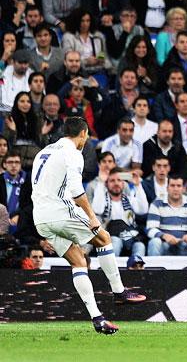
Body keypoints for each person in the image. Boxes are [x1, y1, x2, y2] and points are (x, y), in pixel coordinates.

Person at [30, 117, 146, 334]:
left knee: (78, 260)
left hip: (41, 218)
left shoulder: (43, 152)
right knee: (104, 238)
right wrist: (92, 217)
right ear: (82, 134)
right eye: (87, 137)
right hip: (60, 212)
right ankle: (119, 292)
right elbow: (77, 191)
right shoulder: (73, 153)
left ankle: (98, 318)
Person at [91, 167, 148, 257]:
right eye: (112, 181)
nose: (116, 183)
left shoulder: (129, 199)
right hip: (110, 236)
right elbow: (97, 209)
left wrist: (138, 185)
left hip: (130, 236)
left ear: (123, 183)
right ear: (107, 184)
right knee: (116, 241)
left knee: (140, 246)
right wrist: (101, 182)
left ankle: (137, 269)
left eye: (119, 180)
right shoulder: (103, 200)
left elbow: (143, 210)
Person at [146, 175, 187, 256]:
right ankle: (154, 269)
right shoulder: (156, 204)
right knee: (154, 242)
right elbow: (151, 229)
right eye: (172, 185)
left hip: (185, 244)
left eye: (178, 186)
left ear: (183, 188)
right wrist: (164, 236)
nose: (175, 189)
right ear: (167, 188)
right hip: (165, 243)